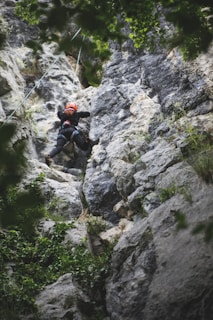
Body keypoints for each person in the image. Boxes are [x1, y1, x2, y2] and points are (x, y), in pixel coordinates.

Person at [45, 102, 91, 166]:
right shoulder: (77, 114)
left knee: (59, 147)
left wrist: (64, 112)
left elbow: (58, 113)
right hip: (72, 131)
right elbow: (87, 114)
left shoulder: (63, 114)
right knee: (84, 147)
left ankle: (50, 156)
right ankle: (87, 140)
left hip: (62, 132)